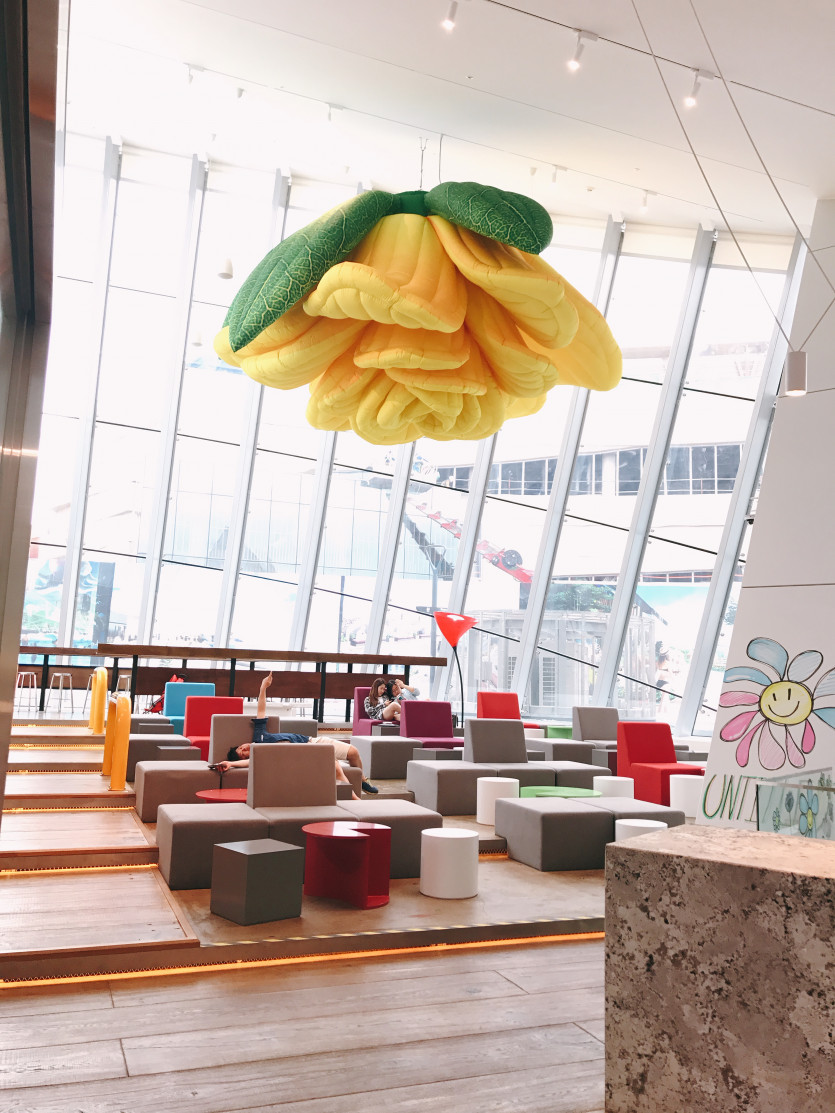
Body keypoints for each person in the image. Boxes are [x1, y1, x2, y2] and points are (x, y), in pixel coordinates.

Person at [215, 673, 378, 794]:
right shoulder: (260, 755)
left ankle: (363, 781)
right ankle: (353, 800)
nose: (245, 749)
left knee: (353, 752)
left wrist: (263, 688)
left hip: (311, 742)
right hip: (306, 755)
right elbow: (249, 762)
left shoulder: (259, 737)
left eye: (241, 747)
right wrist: (231, 764)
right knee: (334, 765)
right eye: (243, 754)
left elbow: (261, 709)